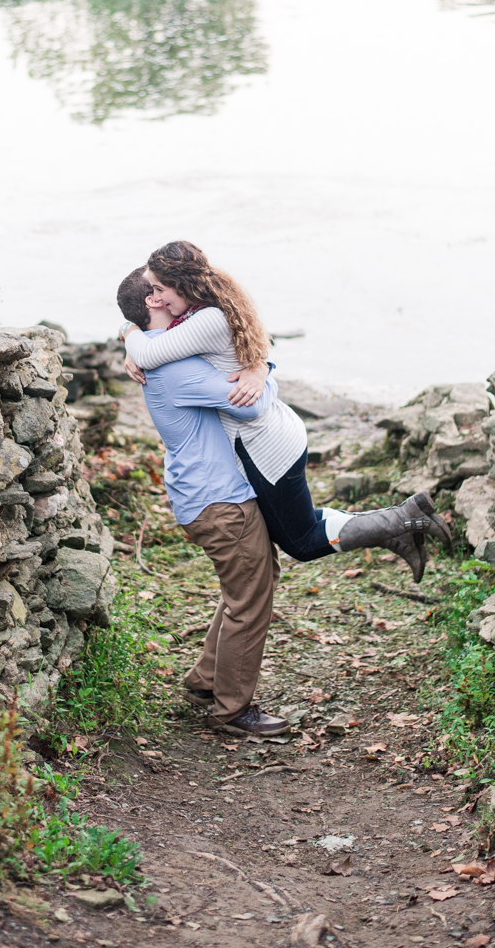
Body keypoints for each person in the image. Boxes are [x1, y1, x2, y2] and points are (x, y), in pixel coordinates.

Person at [119, 241, 451, 581]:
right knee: (296, 521)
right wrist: (261, 367)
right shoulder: (208, 307)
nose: (157, 298)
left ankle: (402, 518)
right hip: (277, 431)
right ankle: (393, 531)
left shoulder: (206, 319)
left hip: (263, 443)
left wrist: (128, 331)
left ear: (180, 282)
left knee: (300, 541)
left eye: (160, 289)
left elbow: (152, 355)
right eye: (153, 292)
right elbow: (235, 348)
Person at [116, 268, 289, 738]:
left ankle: (207, 680)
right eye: (165, 293)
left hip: (204, 493)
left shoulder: (156, 358)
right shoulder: (177, 367)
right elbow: (252, 405)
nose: (181, 302)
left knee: (254, 581)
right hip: (220, 501)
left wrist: (128, 334)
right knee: (250, 600)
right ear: (153, 303)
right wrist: (263, 370)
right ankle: (231, 710)